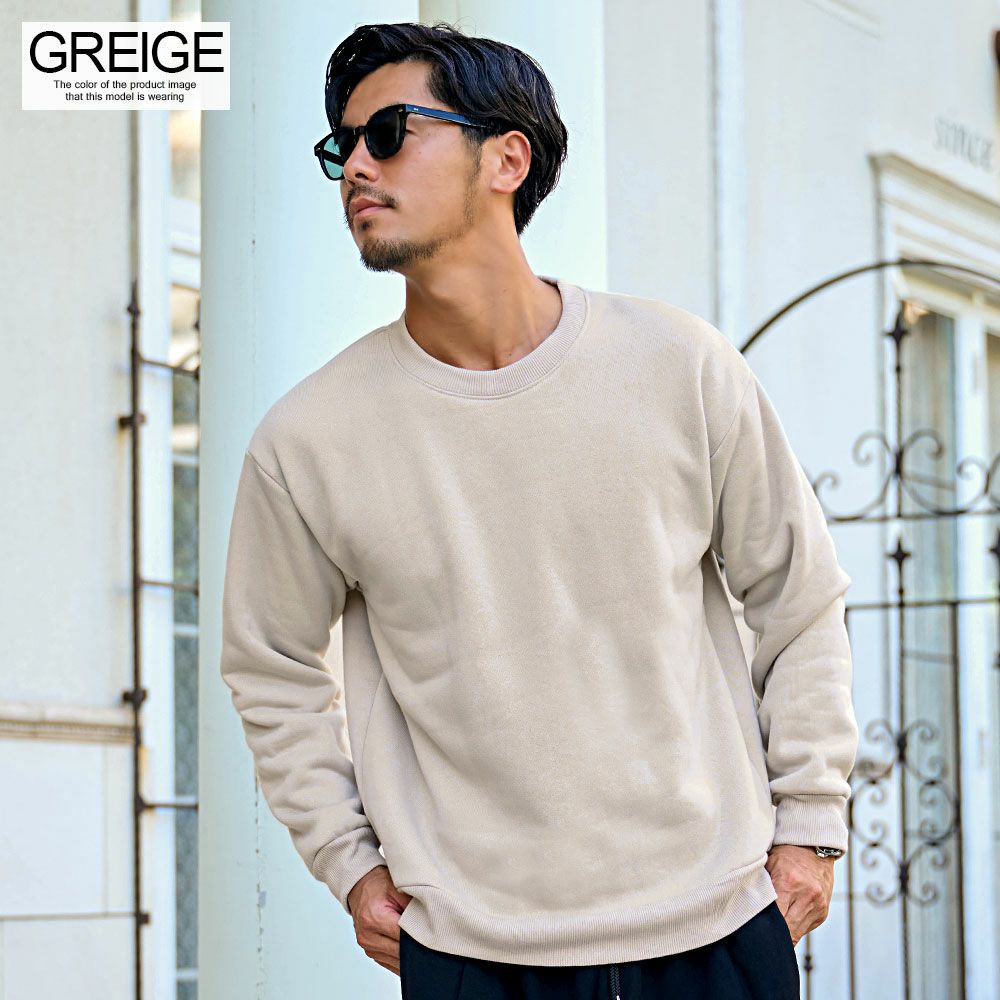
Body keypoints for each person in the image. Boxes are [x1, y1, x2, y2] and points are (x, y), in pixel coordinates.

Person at [219, 20, 858, 1000]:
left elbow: (797, 595)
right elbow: (270, 669)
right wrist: (347, 860)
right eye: (340, 146)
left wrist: (810, 825)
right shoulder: (308, 439)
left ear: (506, 159)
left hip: (717, 927)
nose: (357, 166)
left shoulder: (678, 366)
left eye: (388, 132)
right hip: (474, 953)